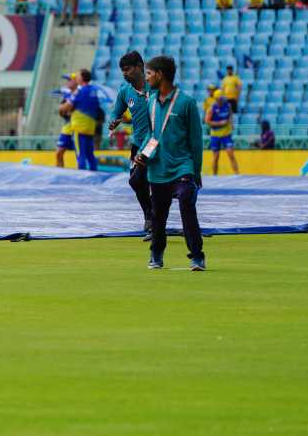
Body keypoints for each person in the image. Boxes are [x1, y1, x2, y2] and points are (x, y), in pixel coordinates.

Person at [134, 55, 206, 271]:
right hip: (158, 168)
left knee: (186, 200)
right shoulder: (151, 103)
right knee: (159, 214)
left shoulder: (187, 103)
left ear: (160, 74)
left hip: (183, 166)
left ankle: (197, 255)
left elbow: (196, 141)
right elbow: (151, 135)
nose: (146, 78)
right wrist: (141, 153)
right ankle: (156, 253)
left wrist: (196, 171)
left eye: (148, 73)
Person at [107, 51, 154, 239]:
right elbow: (116, 112)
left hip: (154, 142)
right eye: (122, 71)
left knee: (137, 180)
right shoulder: (125, 91)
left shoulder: (156, 87)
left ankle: (152, 219)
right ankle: (151, 216)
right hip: (138, 144)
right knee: (137, 182)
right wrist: (113, 120)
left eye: (128, 69)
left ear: (140, 67)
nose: (125, 74)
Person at [62, 68, 100, 171]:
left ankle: (81, 180)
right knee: (90, 155)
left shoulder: (79, 91)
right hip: (90, 128)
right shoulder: (93, 90)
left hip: (79, 127)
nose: (76, 77)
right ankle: (95, 176)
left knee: (80, 155)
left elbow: (67, 107)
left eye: (78, 75)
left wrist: (63, 108)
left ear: (82, 77)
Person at [206, 90, 239, 176]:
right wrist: (219, 123)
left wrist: (231, 123)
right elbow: (207, 121)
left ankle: (237, 174)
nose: (222, 100)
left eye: (222, 98)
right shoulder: (212, 108)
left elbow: (231, 114)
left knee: (231, 154)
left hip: (226, 134)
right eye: (220, 98)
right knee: (216, 157)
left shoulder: (227, 105)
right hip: (215, 135)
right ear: (217, 99)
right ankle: (214, 176)